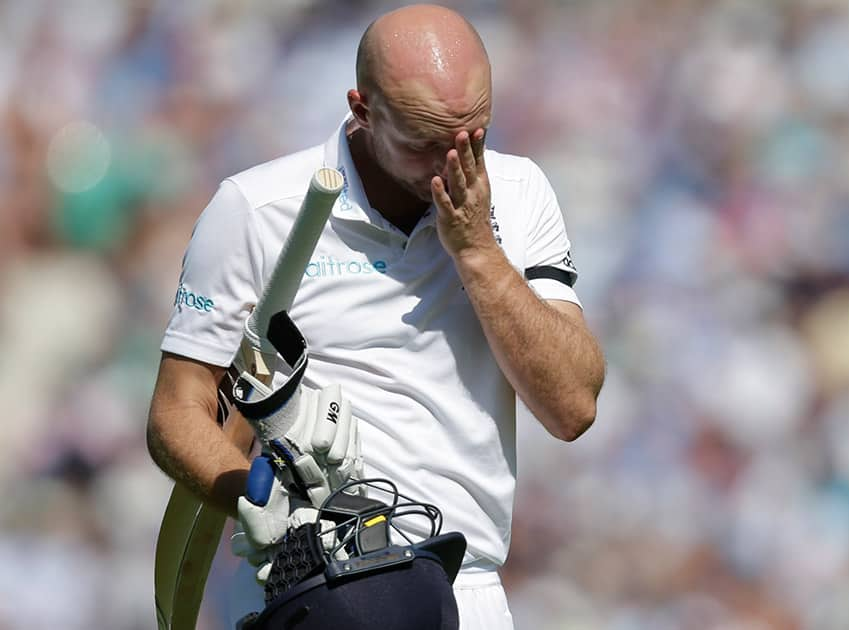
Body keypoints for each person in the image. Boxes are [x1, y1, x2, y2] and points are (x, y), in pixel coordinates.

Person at [147, 4, 605, 628]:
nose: (456, 165)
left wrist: (475, 249)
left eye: (475, 137)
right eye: (427, 144)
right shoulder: (257, 209)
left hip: (473, 589)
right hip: (331, 586)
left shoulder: (520, 194)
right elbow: (178, 408)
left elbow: (573, 405)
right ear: (362, 110)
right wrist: (256, 498)